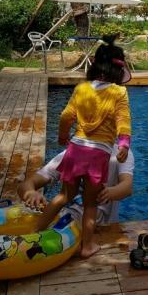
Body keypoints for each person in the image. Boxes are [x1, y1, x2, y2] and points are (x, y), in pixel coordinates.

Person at [32, 35, 132, 258]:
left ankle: (35, 232)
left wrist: (62, 136)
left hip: (75, 149)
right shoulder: (119, 92)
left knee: (63, 196)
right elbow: (123, 121)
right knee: (90, 204)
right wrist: (124, 144)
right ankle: (87, 246)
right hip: (98, 155)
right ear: (118, 70)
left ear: (95, 65)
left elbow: (66, 116)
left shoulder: (81, 88)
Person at [17, 143, 134, 225]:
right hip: (67, 219)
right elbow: (25, 185)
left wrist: (107, 193)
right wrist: (31, 193)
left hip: (101, 226)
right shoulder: (71, 154)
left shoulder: (120, 154)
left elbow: (127, 187)